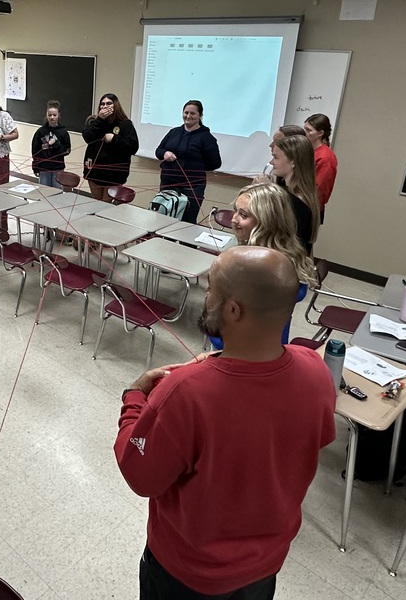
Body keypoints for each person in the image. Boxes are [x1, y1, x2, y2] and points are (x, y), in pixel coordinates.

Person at [115, 246, 336, 600]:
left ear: (233, 309)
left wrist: (135, 397)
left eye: (211, 290)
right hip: (264, 567)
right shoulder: (315, 368)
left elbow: (139, 474)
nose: (206, 296)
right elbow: (308, 437)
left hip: (186, 574)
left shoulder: (184, 392)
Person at [207, 182, 318, 347]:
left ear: (267, 222)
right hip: (273, 347)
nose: (234, 219)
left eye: (243, 215)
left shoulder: (254, 267)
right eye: (235, 210)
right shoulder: (289, 255)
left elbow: (233, 324)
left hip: (240, 351)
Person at [155, 100, 221, 222]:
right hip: (168, 183)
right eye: (186, 112)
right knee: (163, 219)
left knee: (186, 222)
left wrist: (194, 166)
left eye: (193, 113)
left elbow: (215, 163)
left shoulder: (207, 138)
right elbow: (158, 150)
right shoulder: (174, 132)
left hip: (192, 187)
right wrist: (165, 153)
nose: (188, 116)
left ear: (200, 116)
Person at [82, 93, 139, 202]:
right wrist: (100, 119)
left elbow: (133, 147)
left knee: (105, 205)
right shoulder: (94, 122)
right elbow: (87, 137)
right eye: (102, 104)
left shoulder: (125, 124)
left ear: (115, 105)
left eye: (109, 103)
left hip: (113, 174)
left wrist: (115, 139)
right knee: (96, 202)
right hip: (94, 172)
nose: (105, 106)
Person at [268, 135, 319, 253]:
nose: (271, 162)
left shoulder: (296, 202)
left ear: (293, 162)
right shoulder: (298, 195)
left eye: (276, 157)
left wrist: (266, 192)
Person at [303, 113, 337, 222]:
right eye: (305, 129)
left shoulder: (325, 157)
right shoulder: (309, 151)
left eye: (309, 130)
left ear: (320, 133)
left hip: (309, 208)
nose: (305, 133)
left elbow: (320, 189)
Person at [31, 100, 71, 188]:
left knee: (57, 194)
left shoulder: (63, 132)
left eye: (54, 115)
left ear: (58, 115)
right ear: (46, 115)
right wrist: (35, 167)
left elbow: (67, 150)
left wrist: (56, 144)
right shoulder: (40, 132)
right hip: (43, 168)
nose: (52, 117)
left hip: (58, 168)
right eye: (49, 115)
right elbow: (35, 151)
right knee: (44, 192)